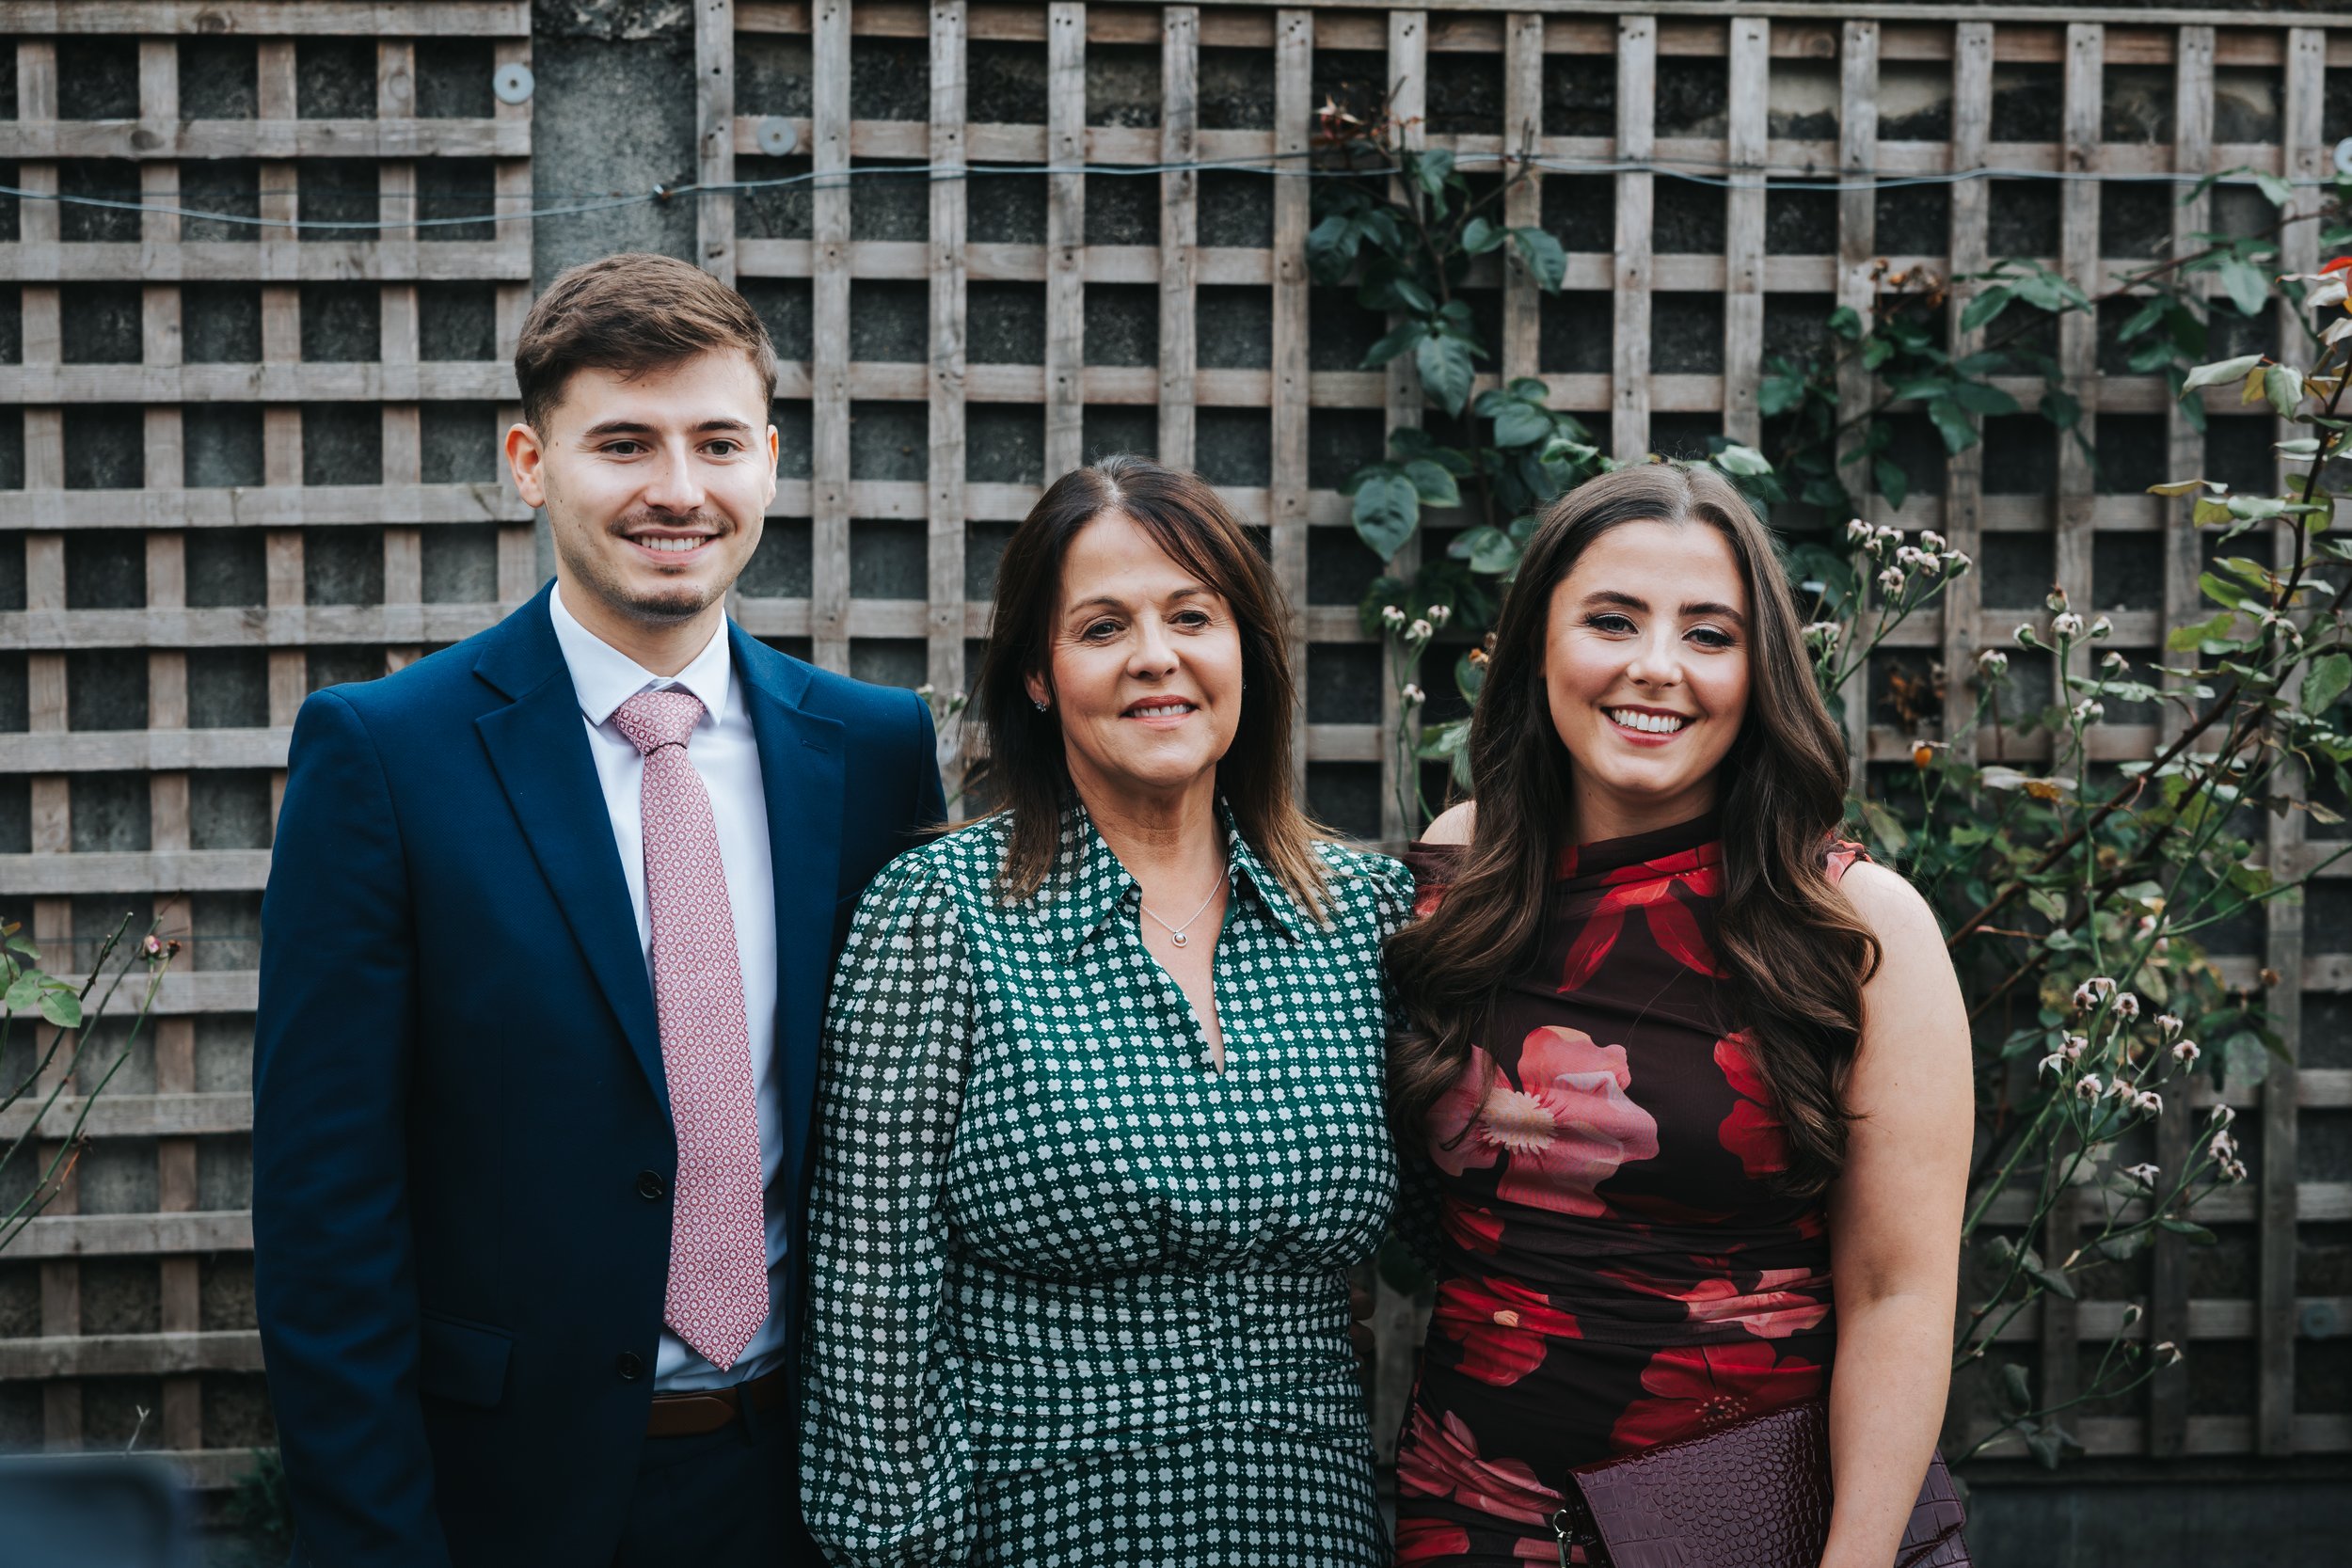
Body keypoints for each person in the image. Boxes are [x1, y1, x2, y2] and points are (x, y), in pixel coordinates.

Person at [250, 252, 944, 1568]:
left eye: (717, 442)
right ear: (529, 459)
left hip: (816, 1487)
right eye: (623, 441)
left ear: (772, 461)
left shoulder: (873, 749)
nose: (677, 489)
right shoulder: (385, 754)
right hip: (505, 1497)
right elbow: (322, 1209)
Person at [797, 456, 1409, 1566]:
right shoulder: (938, 916)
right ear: (1038, 673)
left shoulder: (1361, 914)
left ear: (1243, 652)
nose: (1155, 657)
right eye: (1101, 626)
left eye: (1191, 615)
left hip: (1314, 1527)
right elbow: (869, 1308)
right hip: (1039, 1522)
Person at [1385, 463, 1972, 1567]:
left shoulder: (1855, 927)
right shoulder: (1453, 876)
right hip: (1469, 1512)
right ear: (1538, 644)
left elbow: (1897, 1293)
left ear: (1759, 672)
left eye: (1709, 634)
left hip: (1755, 1528)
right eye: (1611, 619)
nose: (1655, 667)